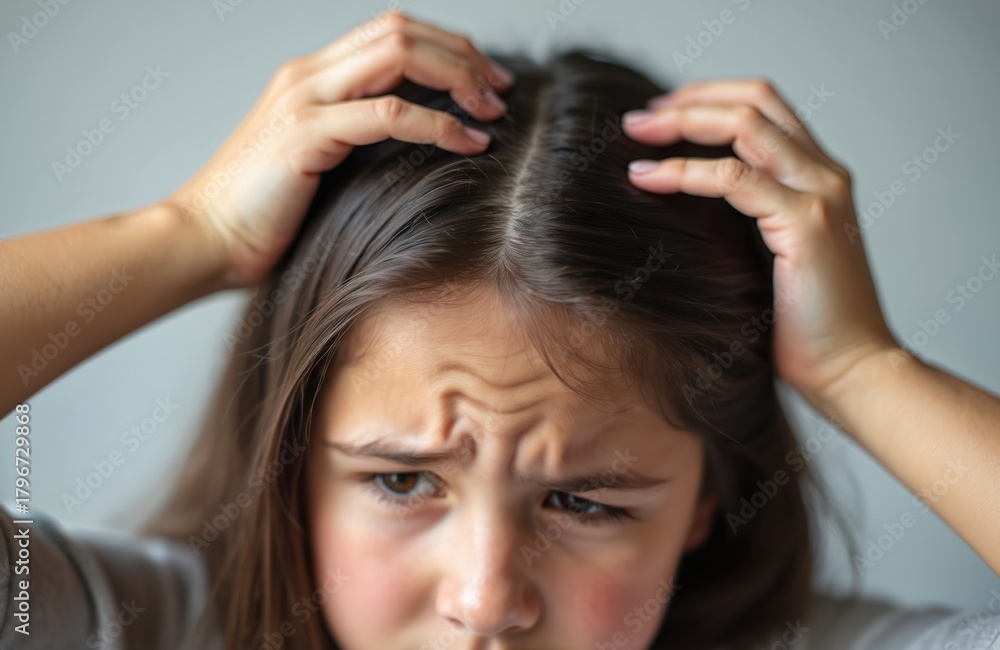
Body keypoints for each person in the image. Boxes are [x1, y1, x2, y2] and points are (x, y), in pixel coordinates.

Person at [2, 10, 999, 650]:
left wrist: (865, 367)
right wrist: (193, 233)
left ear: (707, 496)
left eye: (582, 500)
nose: (485, 602)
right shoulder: (130, 628)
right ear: (292, 465)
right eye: (401, 479)